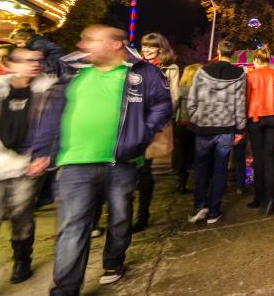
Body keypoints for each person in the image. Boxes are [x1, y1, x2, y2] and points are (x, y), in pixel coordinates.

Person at [27, 25, 172, 292]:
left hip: (122, 161)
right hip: (75, 163)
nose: (82, 45)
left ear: (115, 45)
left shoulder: (142, 72)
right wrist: (41, 151)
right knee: (73, 226)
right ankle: (65, 289)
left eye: (91, 40)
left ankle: (114, 261)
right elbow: (53, 113)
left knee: (119, 218)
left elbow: (163, 105)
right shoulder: (72, 71)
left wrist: (143, 133)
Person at [0, 47, 56, 283]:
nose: (35, 64)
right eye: (27, 60)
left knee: (21, 213)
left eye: (39, 60)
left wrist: (46, 154)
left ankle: (22, 260)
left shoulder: (49, 90)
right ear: (10, 64)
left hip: (29, 164)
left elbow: (55, 127)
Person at [187, 39, 246, 224]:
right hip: (226, 127)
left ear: (218, 51)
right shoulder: (239, 74)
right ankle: (214, 210)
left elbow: (192, 98)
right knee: (220, 169)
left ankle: (200, 206)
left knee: (202, 168)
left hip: (204, 126)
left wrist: (196, 116)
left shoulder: (202, 72)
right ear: (233, 53)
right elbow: (240, 103)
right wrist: (240, 129)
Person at [133, 32, 180, 233]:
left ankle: (142, 214)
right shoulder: (134, 65)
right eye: (145, 46)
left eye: (152, 46)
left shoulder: (170, 68)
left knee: (144, 169)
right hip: (132, 123)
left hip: (153, 125)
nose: (147, 49)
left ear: (161, 48)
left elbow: (174, 97)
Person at [245, 47, 274, 214]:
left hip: (255, 117)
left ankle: (259, 197)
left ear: (256, 59)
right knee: (269, 156)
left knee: (258, 156)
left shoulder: (250, 76)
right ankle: (270, 197)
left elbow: (247, 99)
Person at [173, 64, 201, 194]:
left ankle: (181, 183)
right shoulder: (201, 90)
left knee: (182, 154)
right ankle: (199, 182)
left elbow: (175, 105)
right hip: (197, 124)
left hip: (182, 124)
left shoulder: (181, 89)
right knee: (197, 154)